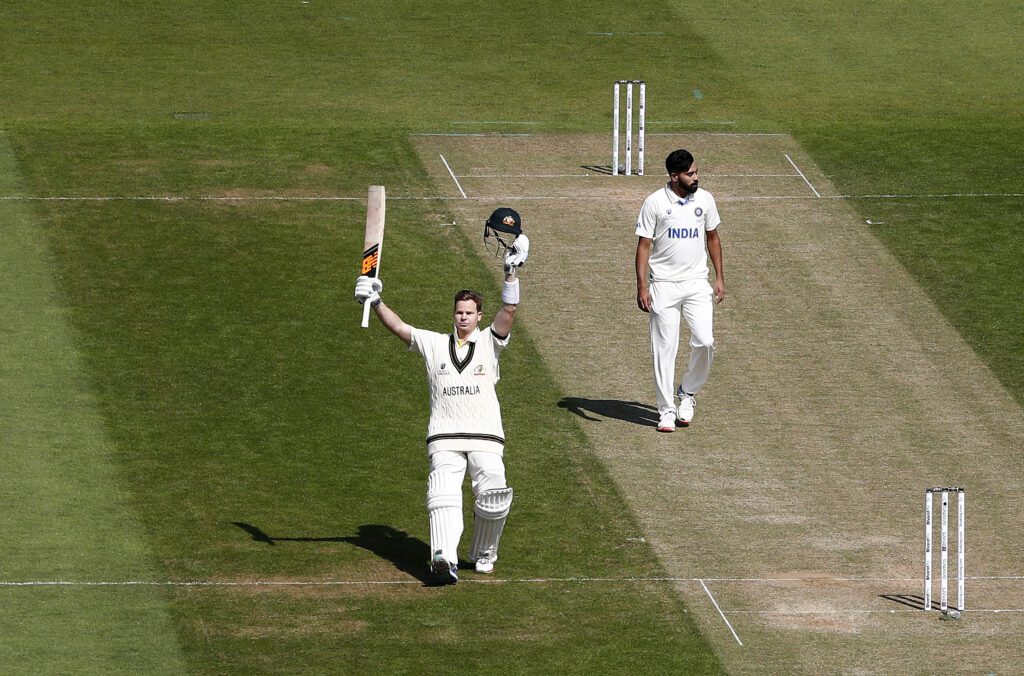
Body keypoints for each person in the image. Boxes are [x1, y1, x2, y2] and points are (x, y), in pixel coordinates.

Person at [354, 207, 530, 585]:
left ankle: (484, 552)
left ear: (479, 315)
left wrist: (512, 274)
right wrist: (375, 299)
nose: (463, 317)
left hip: (485, 434)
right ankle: (443, 558)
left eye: (469, 312)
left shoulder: (489, 344)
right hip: (445, 435)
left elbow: (510, 313)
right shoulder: (434, 344)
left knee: (494, 496)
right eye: (459, 312)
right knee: (443, 495)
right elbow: (401, 328)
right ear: (453, 314)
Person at [635, 149, 725, 433]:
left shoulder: (705, 199)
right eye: (690, 174)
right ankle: (666, 410)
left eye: (696, 172)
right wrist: (642, 286)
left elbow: (713, 237)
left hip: (697, 283)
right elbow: (644, 246)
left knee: (705, 341)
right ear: (674, 176)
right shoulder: (655, 203)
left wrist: (720, 277)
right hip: (663, 285)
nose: (696, 177)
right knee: (664, 350)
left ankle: (687, 392)